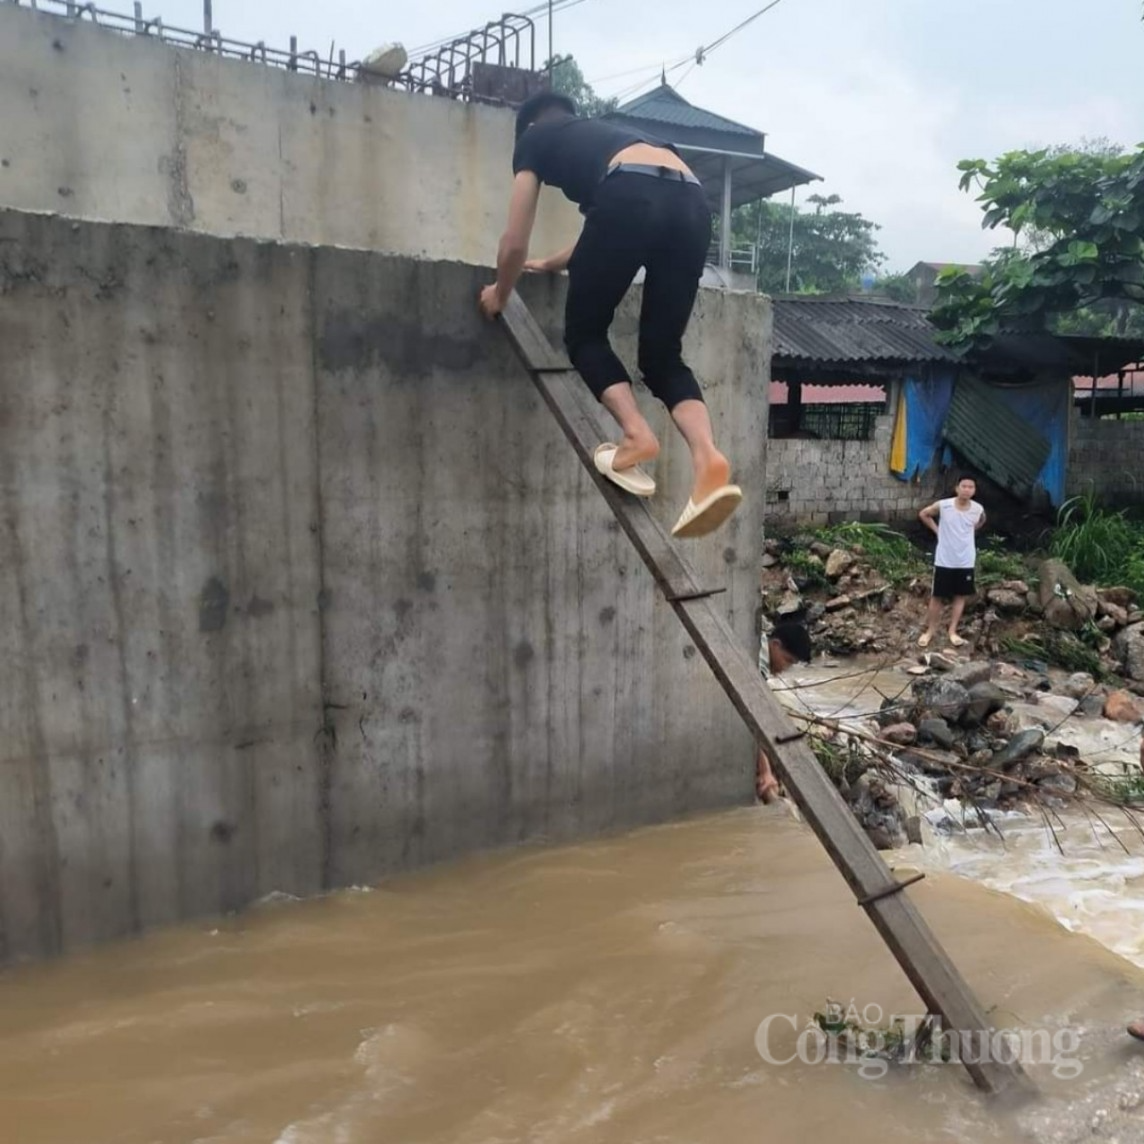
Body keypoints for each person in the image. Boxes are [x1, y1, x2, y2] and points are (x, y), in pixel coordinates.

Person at [477, 91, 742, 540]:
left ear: (530, 126)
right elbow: (617, 220)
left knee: (585, 336)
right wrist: (555, 261)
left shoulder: (536, 137)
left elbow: (514, 241)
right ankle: (708, 458)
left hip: (629, 196)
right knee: (663, 357)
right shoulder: (616, 136)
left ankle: (636, 435)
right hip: (693, 203)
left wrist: (500, 292)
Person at [917, 475, 986, 649]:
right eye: (964, 486)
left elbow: (981, 521)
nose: (967, 490)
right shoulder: (944, 505)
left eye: (971, 487)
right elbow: (924, 514)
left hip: (965, 560)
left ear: (974, 491)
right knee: (937, 596)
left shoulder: (977, 509)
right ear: (957, 488)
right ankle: (930, 631)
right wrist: (937, 530)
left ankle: (952, 631)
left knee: (960, 596)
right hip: (944, 559)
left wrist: (969, 531)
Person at [756, 622, 813, 802]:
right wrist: (766, 772)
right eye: (787, 660)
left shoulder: (756, 641)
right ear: (775, 645)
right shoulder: (760, 662)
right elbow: (752, 719)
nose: (784, 668)